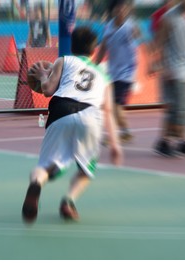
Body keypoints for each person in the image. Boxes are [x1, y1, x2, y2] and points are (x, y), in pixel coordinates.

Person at [22, 26, 122, 223]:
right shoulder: (103, 75)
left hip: (61, 110)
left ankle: (36, 185)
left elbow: (48, 90)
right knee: (86, 170)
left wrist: (43, 76)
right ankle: (68, 201)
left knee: (46, 166)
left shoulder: (64, 60)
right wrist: (116, 144)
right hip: (90, 115)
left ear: (71, 45)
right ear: (94, 49)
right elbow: (109, 111)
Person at [152, 0, 185, 156]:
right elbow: (159, 43)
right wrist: (162, 66)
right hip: (175, 69)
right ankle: (163, 142)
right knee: (176, 109)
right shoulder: (169, 17)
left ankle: (183, 142)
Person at [95, 0, 139, 143]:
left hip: (126, 72)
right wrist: (94, 65)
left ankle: (117, 135)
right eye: (118, 9)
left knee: (114, 105)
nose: (121, 12)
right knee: (113, 106)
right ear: (113, 11)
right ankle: (125, 133)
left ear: (127, 11)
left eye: (124, 9)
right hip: (113, 72)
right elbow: (103, 48)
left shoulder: (130, 26)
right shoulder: (108, 27)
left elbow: (140, 37)